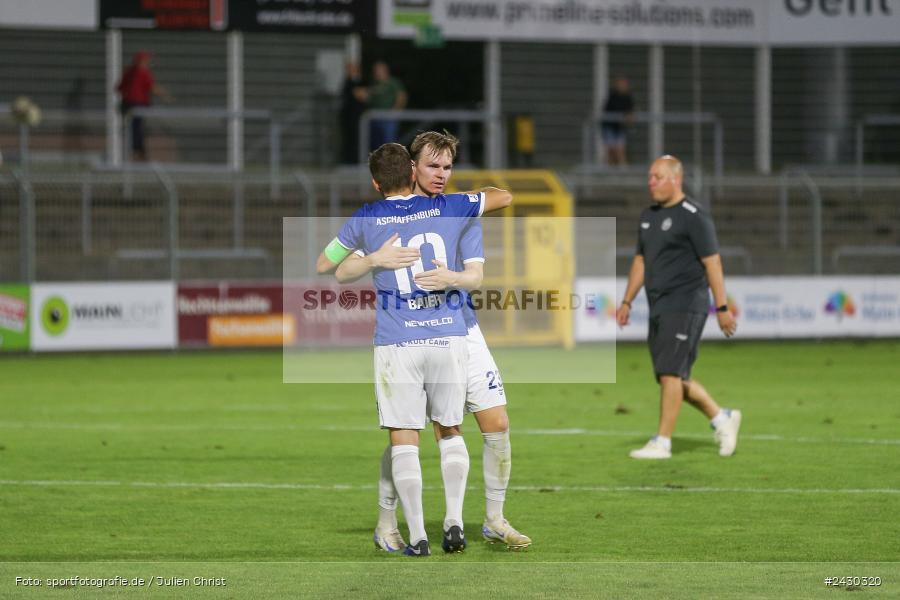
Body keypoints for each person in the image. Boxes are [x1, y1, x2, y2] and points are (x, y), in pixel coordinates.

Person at [334, 131, 532, 551]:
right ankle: (388, 522)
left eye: (447, 167)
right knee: (406, 433)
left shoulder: (456, 212)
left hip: (463, 330)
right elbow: (341, 264)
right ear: (411, 168)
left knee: (496, 422)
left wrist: (455, 277)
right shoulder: (388, 217)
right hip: (412, 335)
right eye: (432, 166)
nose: (440, 175)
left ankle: (494, 518)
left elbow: (478, 269)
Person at [616, 155, 741, 460]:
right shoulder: (648, 216)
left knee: (671, 373)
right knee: (671, 375)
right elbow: (641, 261)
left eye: (657, 177)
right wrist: (627, 300)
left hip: (686, 303)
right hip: (658, 305)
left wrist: (721, 307)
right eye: (649, 177)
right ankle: (721, 416)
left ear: (676, 179)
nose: (651, 182)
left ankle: (662, 442)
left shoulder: (694, 215)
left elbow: (713, 263)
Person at [116, 51, 172, 161]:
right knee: (137, 129)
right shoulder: (143, 72)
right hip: (138, 104)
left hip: (127, 105)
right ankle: (138, 152)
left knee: (132, 128)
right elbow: (153, 87)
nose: (148, 63)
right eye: (146, 61)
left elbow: (119, 88)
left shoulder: (129, 72)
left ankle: (135, 151)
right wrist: (166, 96)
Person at [359, 61, 407, 150]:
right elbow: (366, 98)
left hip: (388, 118)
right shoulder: (374, 83)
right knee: (376, 144)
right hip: (375, 118)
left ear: (385, 70)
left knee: (389, 143)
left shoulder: (393, 82)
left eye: (379, 70)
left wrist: (395, 111)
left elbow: (401, 97)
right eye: (375, 70)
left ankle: (390, 163)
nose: (376, 72)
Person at [600, 76, 634, 167]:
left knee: (620, 150)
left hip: (620, 128)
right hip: (609, 126)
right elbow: (609, 110)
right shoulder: (612, 96)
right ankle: (607, 168)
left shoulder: (628, 97)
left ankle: (623, 169)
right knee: (610, 150)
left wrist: (629, 116)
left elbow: (630, 111)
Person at [339, 61, 366, 164]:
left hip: (357, 116)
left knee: (357, 138)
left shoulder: (360, 81)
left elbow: (362, 95)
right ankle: (349, 160)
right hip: (347, 116)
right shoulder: (347, 82)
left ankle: (355, 160)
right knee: (348, 139)